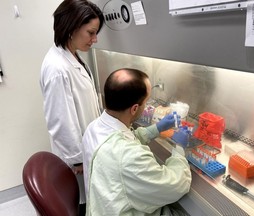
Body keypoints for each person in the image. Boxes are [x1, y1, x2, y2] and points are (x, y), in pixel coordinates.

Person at [82, 68, 192, 216]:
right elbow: (174, 186)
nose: (147, 106)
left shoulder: (93, 128)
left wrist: (157, 128)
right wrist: (179, 150)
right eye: (146, 102)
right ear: (134, 109)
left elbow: (125, 138)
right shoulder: (129, 156)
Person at [39, 0, 104, 215]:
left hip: (86, 149)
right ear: (71, 27)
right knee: (80, 205)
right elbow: (60, 121)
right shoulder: (57, 68)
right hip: (77, 161)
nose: (95, 39)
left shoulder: (71, 56)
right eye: (91, 33)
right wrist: (77, 159)